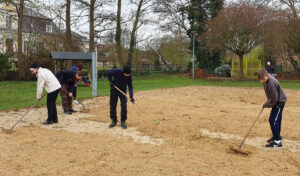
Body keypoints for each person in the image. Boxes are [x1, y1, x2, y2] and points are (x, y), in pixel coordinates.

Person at [258, 68, 287, 148]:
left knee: (273, 121)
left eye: (263, 79)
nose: (262, 81)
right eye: (260, 80)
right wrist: (268, 102)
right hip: (276, 102)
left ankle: (277, 142)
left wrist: (265, 104)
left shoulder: (271, 82)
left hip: (279, 103)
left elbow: (274, 99)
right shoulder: (267, 79)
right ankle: (276, 136)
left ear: (267, 75)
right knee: (276, 120)